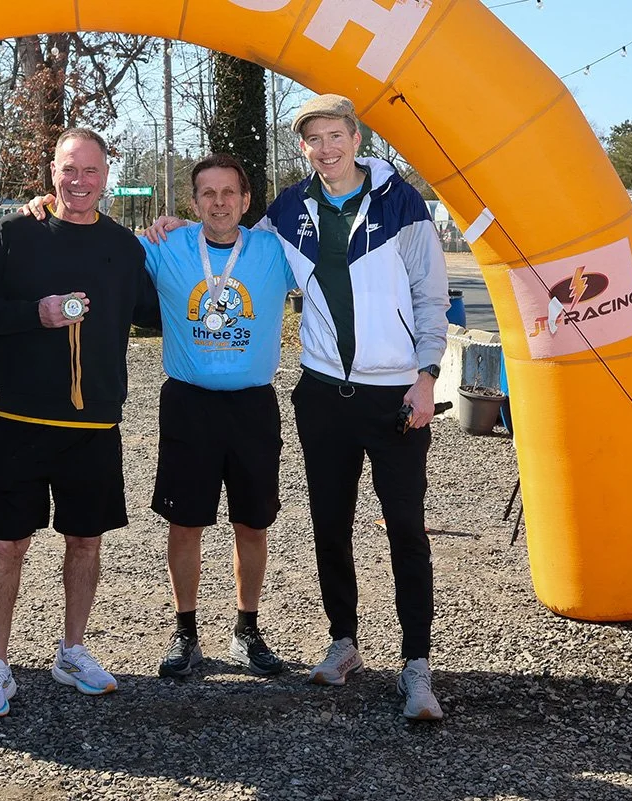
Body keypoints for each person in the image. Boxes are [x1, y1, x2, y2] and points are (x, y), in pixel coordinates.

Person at [149, 95, 450, 720]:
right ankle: (344, 642)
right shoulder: (289, 208)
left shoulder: (403, 203)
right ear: (304, 147)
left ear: (355, 136)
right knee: (330, 526)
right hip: (321, 394)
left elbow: (430, 296)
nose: (325, 148)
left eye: (335, 135)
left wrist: (425, 376)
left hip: (394, 392)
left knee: (405, 530)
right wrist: (174, 229)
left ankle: (417, 665)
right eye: (313, 139)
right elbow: (230, 245)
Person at [22, 154, 296, 680]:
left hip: (253, 405)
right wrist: (46, 210)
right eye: (207, 194)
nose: (219, 203)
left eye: (228, 193)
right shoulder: (165, 244)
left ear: (245, 200)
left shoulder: (272, 250)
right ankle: (186, 631)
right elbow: (95, 249)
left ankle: (247, 628)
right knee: (185, 521)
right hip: (189, 403)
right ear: (193, 203)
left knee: (252, 522)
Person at [0, 127, 159, 718]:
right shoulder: (14, 235)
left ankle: (71, 648)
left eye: (91, 170)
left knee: (84, 540)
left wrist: (176, 240)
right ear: (52, 172)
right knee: (8, 543)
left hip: (95, 425)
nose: (79, 182)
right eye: (68, 170)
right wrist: (34, 314)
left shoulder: (125, 248)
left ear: (107, 174)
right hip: (20, 420)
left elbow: (157, 310)